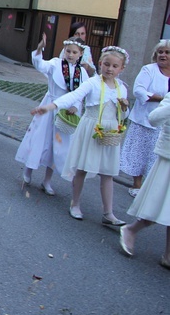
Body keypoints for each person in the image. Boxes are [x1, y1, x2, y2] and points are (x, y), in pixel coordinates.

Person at [31, 46, 131, 225]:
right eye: (106, 64)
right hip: (91, 127)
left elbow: (123, 116)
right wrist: (51, 106)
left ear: (121, 69)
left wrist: (124, 108)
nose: (110, 69)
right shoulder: (92, 83)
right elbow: (73, 96)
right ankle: (75, 203)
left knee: (107, 173)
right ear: (100, 64)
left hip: (109, 131)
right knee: (82, 168)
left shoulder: (121, 88)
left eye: (115, 66)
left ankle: (108, 213)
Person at [16, 34, 87, 195]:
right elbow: (40, 65)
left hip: (65, 112)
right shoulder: (55, 64)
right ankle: (28, 170)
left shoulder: (82, 72)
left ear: (80, 54)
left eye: (74, 52)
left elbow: (81, 93)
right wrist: (40, 48)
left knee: (58, 145)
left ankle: (47, 180)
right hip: (49, 106)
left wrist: (76, 106)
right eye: (68, 51)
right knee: (39, 139)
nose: (70, 54)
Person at [118, 91, 170, 269]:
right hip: (168, 159)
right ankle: (131, 229)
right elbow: (154, 118)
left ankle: (168, 254)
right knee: (158, 204)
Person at [119, 40, 170, 197]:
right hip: (144, 120)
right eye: (160, 51)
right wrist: (163, 99)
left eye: (167, 52)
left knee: (156, 156)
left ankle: (151, 187)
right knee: (139, 154)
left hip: (164, 124)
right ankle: (137, 185)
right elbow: (139, 91)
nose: (163, 55)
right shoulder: (149, 70)